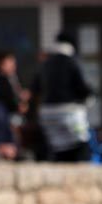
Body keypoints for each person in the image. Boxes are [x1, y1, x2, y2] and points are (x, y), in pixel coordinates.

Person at [34, 31, 92, 162]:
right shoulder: (72, 61)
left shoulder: (45, 63)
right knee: (81, 144)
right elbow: (83, 88)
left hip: (47, 114)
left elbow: (36, 88)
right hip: (69, 112)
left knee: (59, 149)